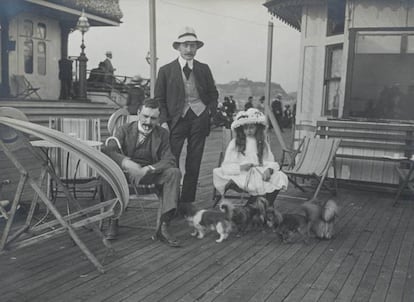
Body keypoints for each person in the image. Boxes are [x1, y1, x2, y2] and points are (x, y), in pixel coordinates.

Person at [102, 98, 182, 247]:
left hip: (149, 175)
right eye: (145, 116)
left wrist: (149, 169)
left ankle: (163, 227)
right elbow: (107, 149)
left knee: (174, 172)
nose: (148, 122)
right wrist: (126, 162)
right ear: (138, 113)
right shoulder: (124, 130)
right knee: (107, 173)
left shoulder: (163, 134)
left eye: (153, 118)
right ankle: (112, 220)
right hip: (125, 175)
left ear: (158, 119)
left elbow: (169, 159)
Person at [154, 26, 218, 208]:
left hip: (200, 118)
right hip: (176, 121)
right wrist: (164, 122)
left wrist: (209, 111)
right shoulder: (166, 70)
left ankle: (187, 201)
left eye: (193, 46)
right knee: (171, 160)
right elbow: (159, 98)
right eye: (186, 45)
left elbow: (213, 93)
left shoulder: (203, 68)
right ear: (178, 47)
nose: (190, 49)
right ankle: (170, 201)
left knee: (194, 160)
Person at [213, 108, 288, 206]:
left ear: (257, 127)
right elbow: (226, 166)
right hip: (241, 173)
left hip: (259, 171)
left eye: (251, 127)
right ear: (241, 129)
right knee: (257, 182)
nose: (248, 131)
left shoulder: (262, 142)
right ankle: (254, 207)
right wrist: (241, 167)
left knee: (280, 176)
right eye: (246, 128)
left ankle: (259, 206)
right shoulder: (235, 143)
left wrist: (269, 170)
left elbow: (270, 161)